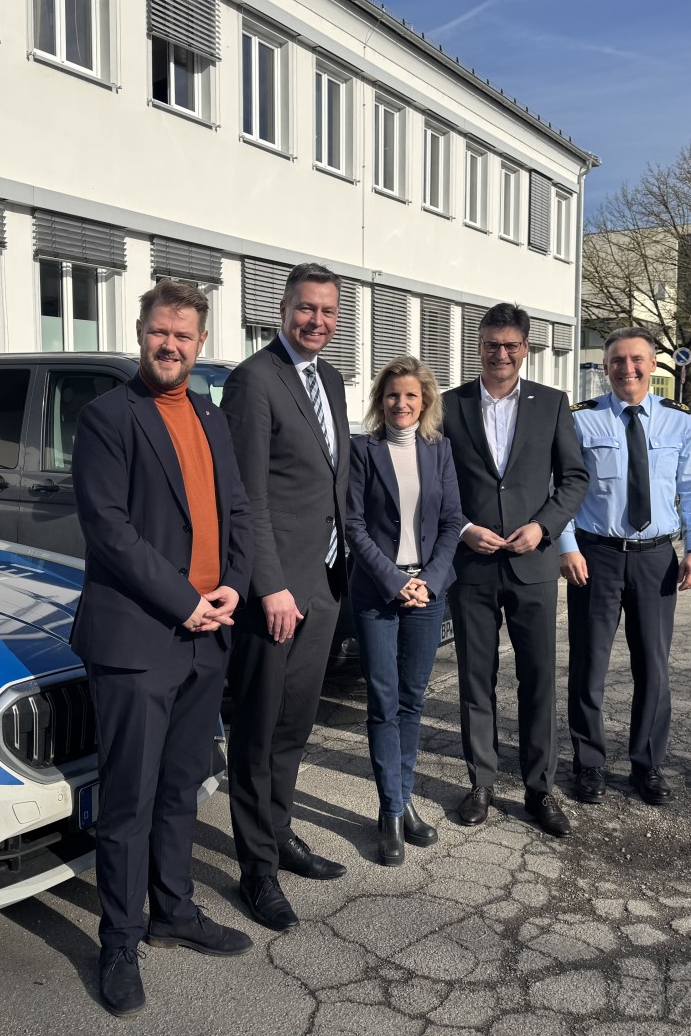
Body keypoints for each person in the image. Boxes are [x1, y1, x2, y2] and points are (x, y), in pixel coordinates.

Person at [70, 279, 255, 1017]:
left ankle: (173, 908)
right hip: (139, 637)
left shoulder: (210, 415)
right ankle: (119, 936)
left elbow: (237, 509)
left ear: (201, 343)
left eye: (184, 335)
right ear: (140, 332)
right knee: (130, 797)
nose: (170, 345)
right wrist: (188, 599)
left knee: (184, 787)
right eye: (159, 332)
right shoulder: (108, 417)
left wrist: (233, 587)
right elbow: (110, 531)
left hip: (209, 634)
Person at [222, 262, 351, 931]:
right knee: (258, 729)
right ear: (283, 309)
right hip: (275, 594)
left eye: (328, 311)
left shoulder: (328, 378)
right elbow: (245, 497)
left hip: (323, 586)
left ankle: (280, 832)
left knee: (294, 727)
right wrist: (268, 583)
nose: (317, 321)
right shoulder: (253, 381)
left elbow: (333, 481)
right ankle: (257, 869)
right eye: (306, 309)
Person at [442, 303, 589, 835]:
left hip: (532, 563)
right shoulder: (450, 405)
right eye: (491, 344)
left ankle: (539, 788)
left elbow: (574, 478)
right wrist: (461, 528)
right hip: (473, 564)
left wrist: (544, 527)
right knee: (475, 679)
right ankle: (480, 780)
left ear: (526, 349)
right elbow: (438, 484)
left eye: (510, 345)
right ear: (477, 346)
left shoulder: (551, 405)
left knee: (538, 680)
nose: (500, 354)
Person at [558, 327, 691, 808]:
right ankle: (590, 762)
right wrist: (566, 545)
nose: (628, 368)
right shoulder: (582, 422)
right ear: (605, 368)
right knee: (589, 664)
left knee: (654, 665)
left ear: (654, 365)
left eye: (637, 359)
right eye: (618, 360)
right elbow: (558, 486)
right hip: (595, 555)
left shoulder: (678, 423)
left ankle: (648, 763)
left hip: (655, 558)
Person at [344, 355, 464, 866]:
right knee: (384, 701)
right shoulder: (361, 451)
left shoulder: (440, 450)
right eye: (393, 395)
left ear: (425, 401)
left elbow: (453, 520)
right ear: (381, 400)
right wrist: (395, 582)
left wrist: (429, 582)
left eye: (411, 395)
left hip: (427, 592)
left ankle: (404, 800)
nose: (401, 403)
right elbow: (352, 525)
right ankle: (390, 811)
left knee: (413, 699)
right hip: (377, 590)